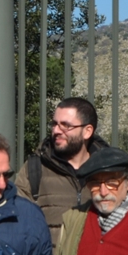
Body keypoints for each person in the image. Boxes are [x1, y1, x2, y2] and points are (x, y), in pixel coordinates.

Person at [17, 96, 108, 246]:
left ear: (87, 131)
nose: (56, 131)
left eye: (66, 125)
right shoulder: (35, 168)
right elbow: (17, 222)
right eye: (54, 124)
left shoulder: (110, 169)